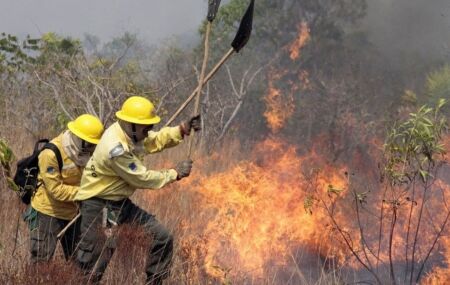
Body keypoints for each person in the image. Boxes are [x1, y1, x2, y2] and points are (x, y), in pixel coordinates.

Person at [75, 96, 200, 284]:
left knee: (162, 238)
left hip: (120, 204)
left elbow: (153, 140)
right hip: (100, 207)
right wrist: (175, 173)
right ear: (130, 124)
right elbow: (141, 177)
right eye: (146, 127)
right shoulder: (115, 147)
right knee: (96, 262)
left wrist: (182, 130)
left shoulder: (131, 133)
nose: (149, 130)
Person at [25, 114, 104, 262]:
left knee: (79, 260)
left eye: (94, 144)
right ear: (77, 138)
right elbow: (56, 191)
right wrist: (88, 193)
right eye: (89, 143)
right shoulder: (50, 154)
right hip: (47, 213)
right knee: (41, 261)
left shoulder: (87, 153)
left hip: (74, 212)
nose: (92, 148)